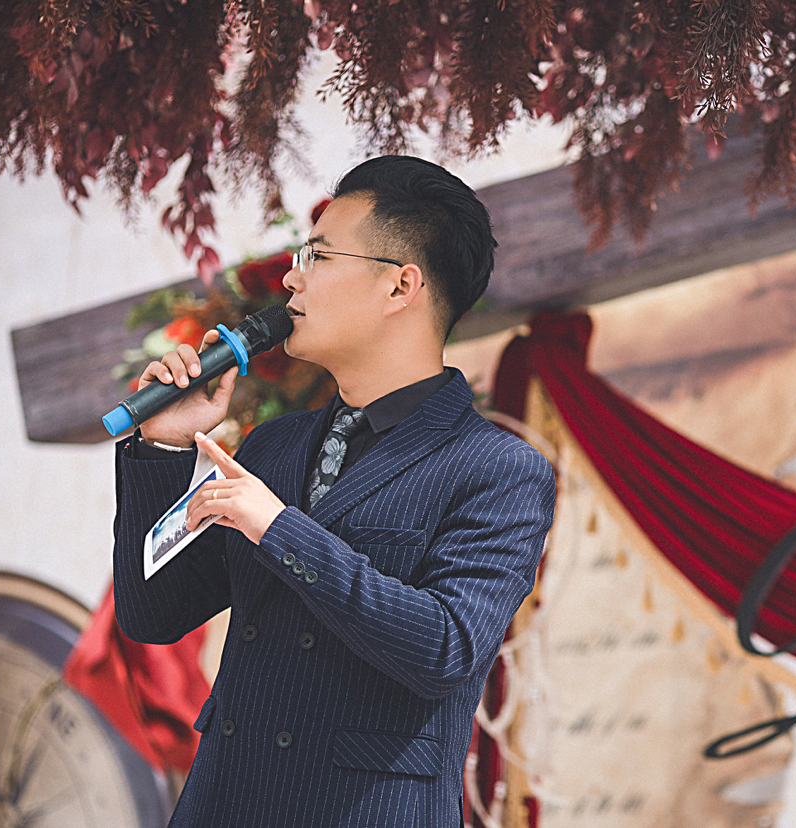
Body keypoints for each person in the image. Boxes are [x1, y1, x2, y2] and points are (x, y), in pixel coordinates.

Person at [112, 156, 556, 827]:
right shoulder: (274, 446)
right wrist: (164, 447)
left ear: (400, 286)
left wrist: (279, 528)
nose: (291, 278)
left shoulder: (497, 469)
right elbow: (153, 615)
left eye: (316, 256)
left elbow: (446, 650)